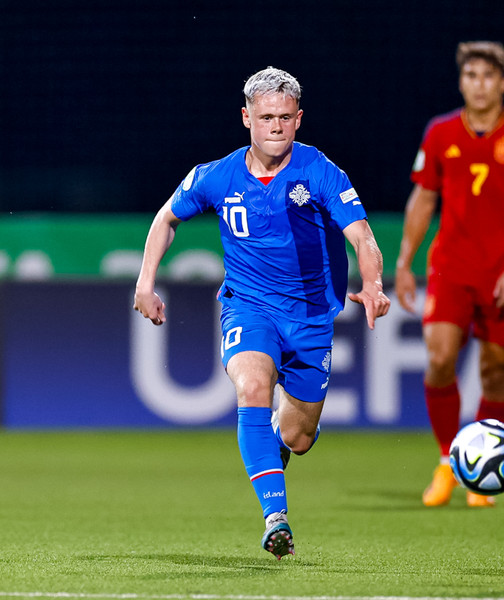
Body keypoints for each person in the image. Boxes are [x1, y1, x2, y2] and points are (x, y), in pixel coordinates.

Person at [133, 67, 390, 559]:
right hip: (248, 306)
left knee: (298, 437)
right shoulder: (216, 175)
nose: (276, 126)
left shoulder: (320, 171)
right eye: (266, 116)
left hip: (311, 317)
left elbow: (361, 236)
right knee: (252, 387)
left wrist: (373, 284)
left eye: (285, 117)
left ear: (299, 120)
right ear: (246, 117)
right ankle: (276, 518)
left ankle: (272, 443)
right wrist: (145, 283)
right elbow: (166, 218)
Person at [395, 41, 504, 508]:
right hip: (452, 268)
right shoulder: (440, 131)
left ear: (503, 83)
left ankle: (483, 476)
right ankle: (448, 462)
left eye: (487, 76)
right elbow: (423, 198)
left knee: (494, 371)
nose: (478, 84)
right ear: (461, 82)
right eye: (470, 75)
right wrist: (404, 262)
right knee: (440, 358)